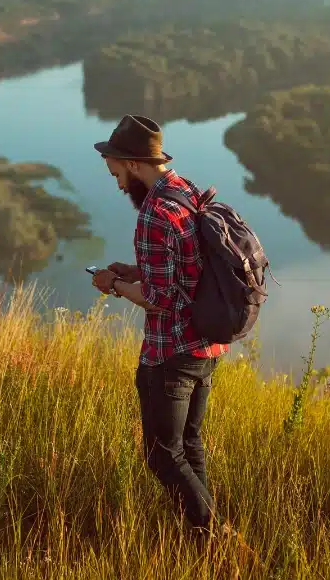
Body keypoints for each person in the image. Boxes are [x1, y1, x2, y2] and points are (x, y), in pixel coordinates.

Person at [90, 114, 238, 543]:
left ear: (133, 164)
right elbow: (182, 270)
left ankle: (217, 538)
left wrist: (112, 284)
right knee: (188, 447)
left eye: (117, 173)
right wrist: (134, 270)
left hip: (169, 354)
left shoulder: (154, 213)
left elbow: (160, 298)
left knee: (160, 455)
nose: (118, 185)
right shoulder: (185, 191)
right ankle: (205, 541)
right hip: (204, 347)